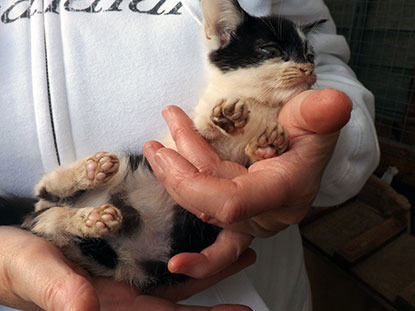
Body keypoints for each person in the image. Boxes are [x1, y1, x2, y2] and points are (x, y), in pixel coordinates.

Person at [0, 0, 379, 310]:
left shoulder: (278, 82)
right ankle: (59, 207)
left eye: (305, 56)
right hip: (76, 250)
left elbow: (328, 69)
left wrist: (325, 149)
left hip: (231, 277)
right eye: (274, 52)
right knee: (65, 214)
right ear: (223, 36)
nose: (305, 66)